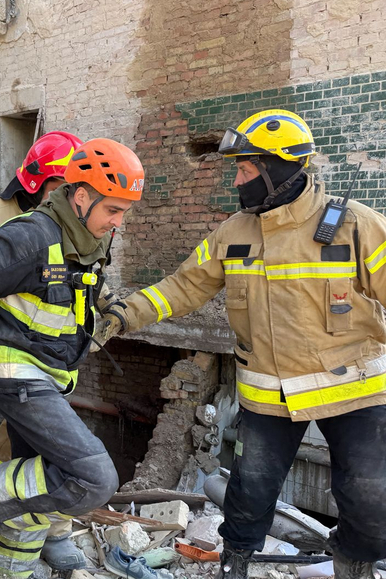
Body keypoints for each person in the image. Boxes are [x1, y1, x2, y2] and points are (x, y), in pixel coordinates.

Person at [94, 109, 386, 579]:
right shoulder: (234, 233)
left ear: (281, 168)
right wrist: (123, 316)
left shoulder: (355, 225)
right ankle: (235, 567)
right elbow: (182, 286)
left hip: (353, 395)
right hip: (269, 399)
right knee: (247, 500)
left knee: (373, 504)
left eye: (246, 168)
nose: (238, 180)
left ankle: (352, 563)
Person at [0, 139, 146, 577]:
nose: (118, 223)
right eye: (113, 210)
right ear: (81, 197)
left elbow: (85, 286)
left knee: (32, 488)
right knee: (94, 478)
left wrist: (108, 304)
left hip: (52, 375)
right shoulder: (25, 238)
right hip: (16, 374)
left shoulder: (86, 239)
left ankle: (10, 569)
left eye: (123, 212)